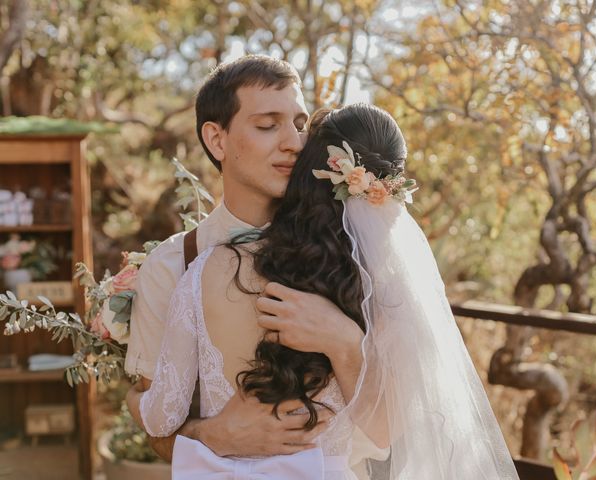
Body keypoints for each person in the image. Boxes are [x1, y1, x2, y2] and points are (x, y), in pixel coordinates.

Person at [134, 103, 521, 479]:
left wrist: (133, 401)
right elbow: (383, 432)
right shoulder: (382, 294)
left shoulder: (210, 269)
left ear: (305, 169)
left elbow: (161, 418)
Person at [124, 55, 386, 477]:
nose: (295, 143)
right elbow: (158, 429)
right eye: (268, 125)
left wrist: (343, 340)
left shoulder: (356, 255)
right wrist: (217, 436)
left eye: (300, 124)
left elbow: (385, 433)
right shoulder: (171, 265)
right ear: (217, 140)